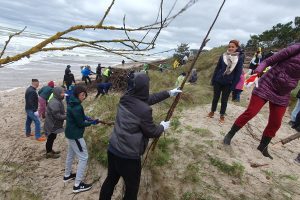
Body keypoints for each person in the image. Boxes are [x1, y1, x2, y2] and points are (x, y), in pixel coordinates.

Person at [99, 72, 182, 200]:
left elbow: (147, 99)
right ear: (145, 87)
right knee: (132, 189)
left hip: (113, 149)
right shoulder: (144, 110)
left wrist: (169, 93)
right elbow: (151, 132)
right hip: (129, 157)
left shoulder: (125, 97)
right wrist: (162, 127)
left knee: (110, 179)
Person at [223, 43, 300, 160]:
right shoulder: (296, 48)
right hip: (268, 83)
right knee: (251, 112)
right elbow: (268, 61)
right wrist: (258, 70)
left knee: (276, 122)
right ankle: (230, 134)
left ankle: (263, 146)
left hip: (283, 92)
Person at [63, 85, 100, 193]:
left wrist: (86, 117)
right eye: (82, 95)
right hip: (75, 136)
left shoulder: (72, 102)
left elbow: (78, 116)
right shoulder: (77, 106)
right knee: (84, 157)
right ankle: (77, 185)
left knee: (70, 154)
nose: (84, 97)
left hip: (69, 134)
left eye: (84, 95)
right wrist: (92, 122)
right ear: (77, 95)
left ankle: (67, 175)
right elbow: (80, 124)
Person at [208, 40, 243, 123]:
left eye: (233, 47)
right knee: (215, 97)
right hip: (218, 80)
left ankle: (222, 115)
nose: (230, 48)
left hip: (228, 82)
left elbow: (238, 74)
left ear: (236, 48)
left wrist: (233, 86)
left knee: (224, 100)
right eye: (229, 46)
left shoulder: (239, 58)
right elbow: (217, 68)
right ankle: (212, 111)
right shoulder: (223, 56)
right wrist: (213, 80)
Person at [44, 86, 66, 159]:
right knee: (50, 137)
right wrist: (66, 116)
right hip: (52, 124)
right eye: (62, 93)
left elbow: (60, 112)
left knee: (53, 137)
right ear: (57, 93)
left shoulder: (57, 99)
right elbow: (57, 116)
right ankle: (48, 153)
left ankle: (50, 150)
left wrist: (65, 113)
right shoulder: (54, 102)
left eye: (63, 92)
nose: (64, 94)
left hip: (54, 123)